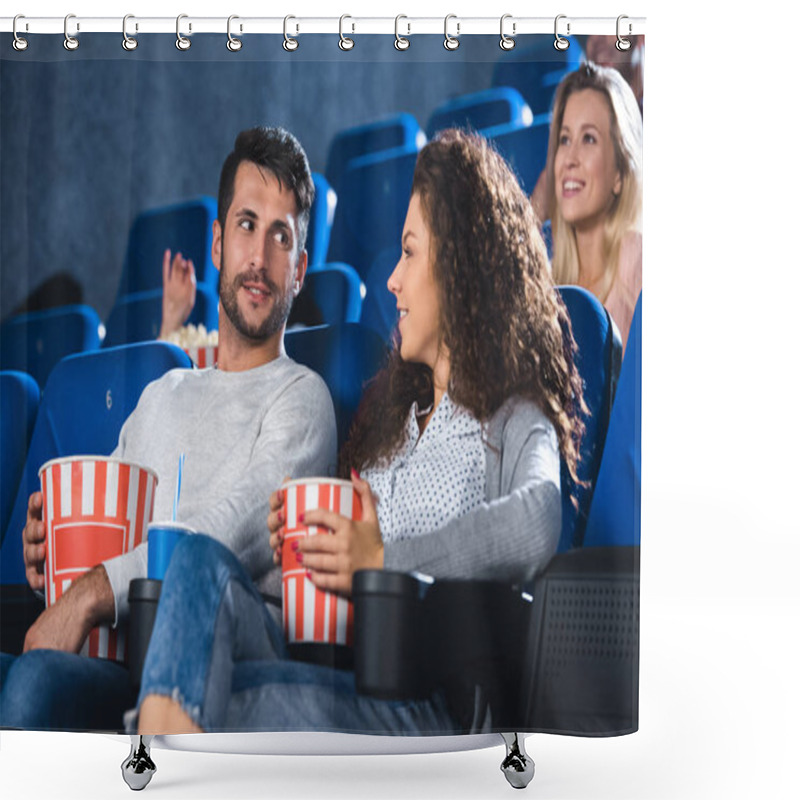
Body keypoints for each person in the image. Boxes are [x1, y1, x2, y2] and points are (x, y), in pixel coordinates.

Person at [131, 129, 586, 736]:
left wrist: (382, 559)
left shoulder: (511, 416)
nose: (392, 280)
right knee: (196, 566)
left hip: (428, 705)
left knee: (212, 706)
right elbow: (339, 601)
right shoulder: (393, 427)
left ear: (461, 265)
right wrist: (307, 548)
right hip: (342, 674)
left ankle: (144, 761)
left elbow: (536, 520)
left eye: (410, 252)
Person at [0, 127, 338, 730]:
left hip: (217, 658)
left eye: (280, 237)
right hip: (120, 652)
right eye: (245, 225)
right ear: (215, 243)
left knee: (33, 686)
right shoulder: (162, 394)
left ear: (301, 270)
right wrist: (52, 550)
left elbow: (232, 531)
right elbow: (108, 523)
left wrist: (90, 592)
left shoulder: (301, 397)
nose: (259, 258)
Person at [530, 63, 643, 348]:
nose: (570, 158)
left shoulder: (638, 258)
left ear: (619, 172)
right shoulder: (549, 279)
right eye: (564, 140)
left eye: (588, 139)